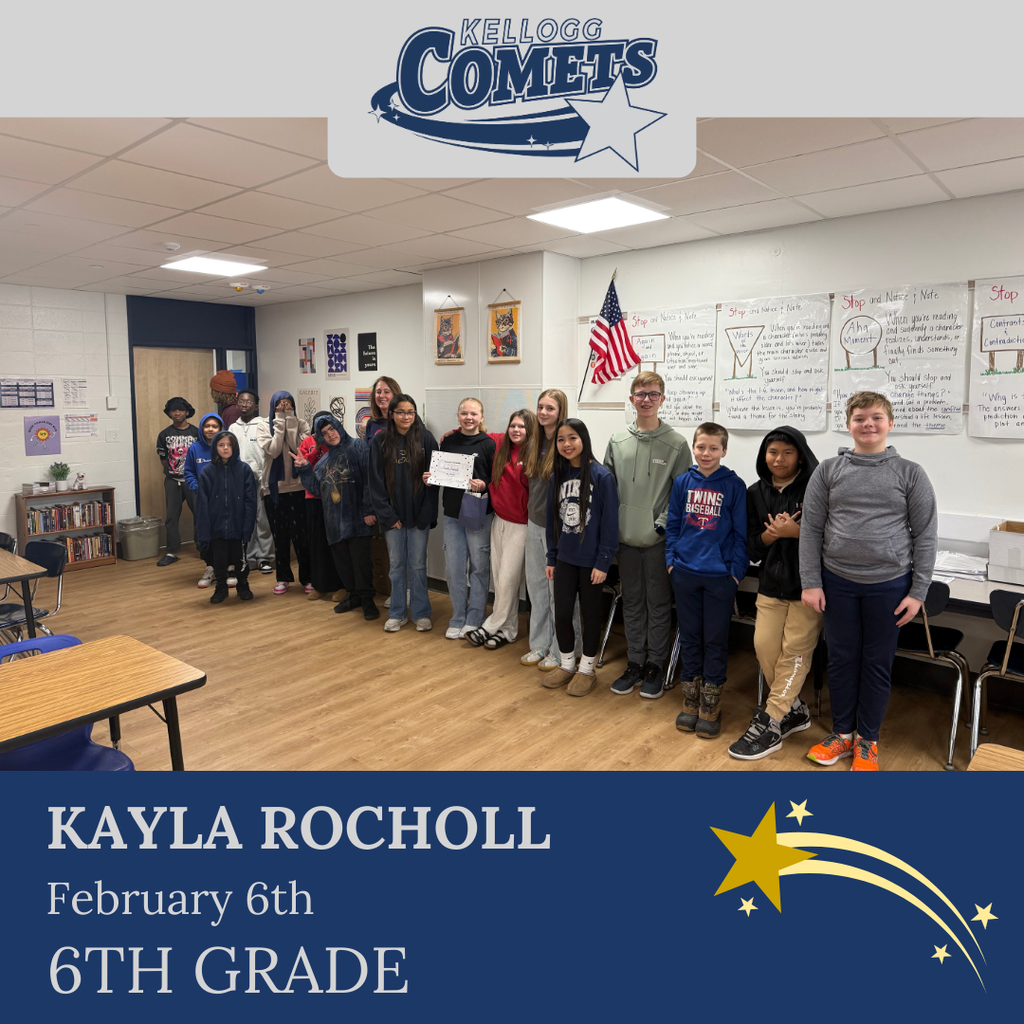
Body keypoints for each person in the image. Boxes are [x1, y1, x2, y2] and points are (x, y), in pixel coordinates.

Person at [800, 391, 937, 772]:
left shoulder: (910, 473)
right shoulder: (828, 470)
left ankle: (868, 741)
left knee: (876, 663)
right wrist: (811, 581)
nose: (868, 424)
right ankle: (842, 735)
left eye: (876, 417)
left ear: (890, 423)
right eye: (860, 418)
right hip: (837, 582)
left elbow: (926, 534)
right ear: (849, 425)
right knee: (841, 660)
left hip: (889, 585)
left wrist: (918, 592)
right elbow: (811, 529)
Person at [728, 427, 821, 761]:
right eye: (772, 452)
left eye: (787, 452)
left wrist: (796, 532)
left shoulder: (817, 488)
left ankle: (771, 721)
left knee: (795, 652)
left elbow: (831, 538)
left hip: (807, 587)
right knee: (764, 647)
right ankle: (794, 709)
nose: (779, 459)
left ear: (801, 456)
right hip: (770, 585)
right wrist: (772, 535)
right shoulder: (755, 492)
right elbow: (752, 547)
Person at [604, 371, 692, 699]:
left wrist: (660, 524)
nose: (646, 400)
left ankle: (655, 664)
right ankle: (635, 663)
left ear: (662, 399)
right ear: (631, 399)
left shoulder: (677, 444)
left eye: (653, 394)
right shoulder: (617, 440)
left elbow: (681, 494)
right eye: (641, 394)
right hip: (625, 540)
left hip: (658, 540)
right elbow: (608, 490)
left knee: (658, 603)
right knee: (631, 602)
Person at [665, 422, 748, 738]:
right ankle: (691, 698)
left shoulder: (734, 485)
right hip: (684, 572)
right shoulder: (682, 482)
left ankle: (711, 703)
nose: (706, 453)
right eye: (701, 447)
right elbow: (673, 525)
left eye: (714, 448)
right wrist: (671, 561)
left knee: (714, 638)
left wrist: (735, 573)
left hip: (719, 577)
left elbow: (740, 534)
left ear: (724, 451)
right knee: (690, 636)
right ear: (693, 448)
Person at [543, 418, 619, 697]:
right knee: (562, 614)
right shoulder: (557, 477)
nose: (567, 444)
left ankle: (586, 670)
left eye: (572, 438)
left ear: (584, 439)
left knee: (590, 615)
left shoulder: (602, 476)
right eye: (561, 439)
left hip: (592, 562)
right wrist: (551, 557)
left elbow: (610, 523)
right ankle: (566, 664)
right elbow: (552, 520)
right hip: (564, 558)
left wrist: (603, 561)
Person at [295, 412, 379, 621]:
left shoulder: (359, 447)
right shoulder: (323, 462)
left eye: (332, 429)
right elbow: (316, 489)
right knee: (343, 564)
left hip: (358, 519)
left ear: (338, 426)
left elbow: (370, 480)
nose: (330, 435)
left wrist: (369, 510)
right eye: (324, 433)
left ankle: (367, 600)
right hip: (334, 523)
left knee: (361, 563)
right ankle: (354, 595)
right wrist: (305, 469)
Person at [465, 408, 537, 649]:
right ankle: (508, 630)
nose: (516, 430)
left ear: (530, 430)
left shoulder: (534, 454)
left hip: (521, 526)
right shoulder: (501, 444)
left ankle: (490, 626)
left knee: (508, 580)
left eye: (522, 426)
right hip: (499, 521)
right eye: (513, 425)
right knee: (501, 580)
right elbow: (474, 429)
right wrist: (452, 432)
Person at [368, 394, 439, 632]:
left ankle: (421, 612)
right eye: (400, 412)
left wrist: (426, 515)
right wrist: (388, 516)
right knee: (397, 566)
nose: (406, 417)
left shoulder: (426, 439)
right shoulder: (380, 441)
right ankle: (397, 613)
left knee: (418, 566)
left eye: (410, 412)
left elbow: (435, 482)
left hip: (420, 516)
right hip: (393, 517)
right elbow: (375, 482)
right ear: (391, 414)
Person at [431, 397, 495, 640]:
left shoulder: (488, 444)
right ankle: (457, 617)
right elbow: (441, 471)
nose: (469, 417)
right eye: (464, 413)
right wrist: (431, 477)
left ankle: (475, 618)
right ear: (458, 416)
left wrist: (483, 484)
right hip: (452, 512)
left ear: (481, 417)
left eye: (474, 414)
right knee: (454, 568)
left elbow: (495, 478)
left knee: (479, 567)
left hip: (478, 511)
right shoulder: (448, 441)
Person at [522, 388, 574, 671]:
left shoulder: (567, 443)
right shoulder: (534, 442)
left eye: (550, 408)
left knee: (560, 593)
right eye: (540, 407)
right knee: (537, 588)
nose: (543, 412)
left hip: (558, 529)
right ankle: (540, 644)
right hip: (534, 523)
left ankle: (562, 649)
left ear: (560, 411)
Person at [257, 391, 312, 595]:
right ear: (273, 406)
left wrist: (290, 420)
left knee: (302, 537)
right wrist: (280, 421)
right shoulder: (264, 425)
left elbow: (299, 450)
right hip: (274, 489)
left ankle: (307, 577)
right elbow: (274, 451)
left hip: (299, 487)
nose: (284, 407)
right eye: (279, 404)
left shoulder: (302, 424)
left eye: (287, 404)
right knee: (280, 537)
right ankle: (282, 578)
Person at [194, 430, 257, 604]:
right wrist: (204, 530)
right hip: (217, 526)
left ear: (235, 447)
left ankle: (243, 585)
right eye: (221, 445)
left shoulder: (244, 470)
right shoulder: (207, 471)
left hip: (238, 525)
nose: (226, 448)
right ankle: (221, 587)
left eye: (229, 445)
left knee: (240, 559)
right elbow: (202, 504)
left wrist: (247, 526)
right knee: (219, 560)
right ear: (215, 447)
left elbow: (250, 501)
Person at [298, 412, 345, 602]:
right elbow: (303, 465)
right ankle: (319, 585)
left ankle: (341, 585)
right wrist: (316, 448)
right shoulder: (308, 441)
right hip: (313, 498)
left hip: (334, 498)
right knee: (317, 542)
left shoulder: (337, 440)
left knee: (336, 542)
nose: (326, 432)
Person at [228, 389, 274, 575]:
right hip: (240, 482)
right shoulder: (232, 428)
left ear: (255, 406)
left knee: (263, 519)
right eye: (241, 401)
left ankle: (265, 557)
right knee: (246, 519)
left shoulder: (263, 425)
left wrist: (265, 482)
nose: (244, 405)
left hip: (261, 480)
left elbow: (268, 455)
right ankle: (249, 557)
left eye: (248, 402)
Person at [183, 411, 225, 589]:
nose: (210, 429)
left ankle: (228, 568)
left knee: (225, 533)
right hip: (203, 499)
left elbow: (235, 467)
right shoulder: (194, 448)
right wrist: (197, 488)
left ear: (221, 428)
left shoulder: (226, 445)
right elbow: (189, 473)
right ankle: (210, 567)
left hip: (224, 498)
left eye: (214, 426)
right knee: (206, 534)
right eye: (207, 426)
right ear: (201, 428)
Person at [156, 397, 198, 567]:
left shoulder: (197, 433)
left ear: (187, 412)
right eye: (173, 410)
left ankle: (203, 547)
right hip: (172, 481)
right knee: (171, 517)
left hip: (192, 481)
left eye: (180, 409)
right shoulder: (164, 434)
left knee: (200, 514)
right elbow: (163, 459)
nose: (177, 413)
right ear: (169, 413)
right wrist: (174, 472)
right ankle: (172, 551)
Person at [365, 376, 401, 444]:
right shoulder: (371, 423)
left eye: (386, 392)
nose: (381, 395)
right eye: (378, 392)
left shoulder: (405, 420)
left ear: (395, 395)